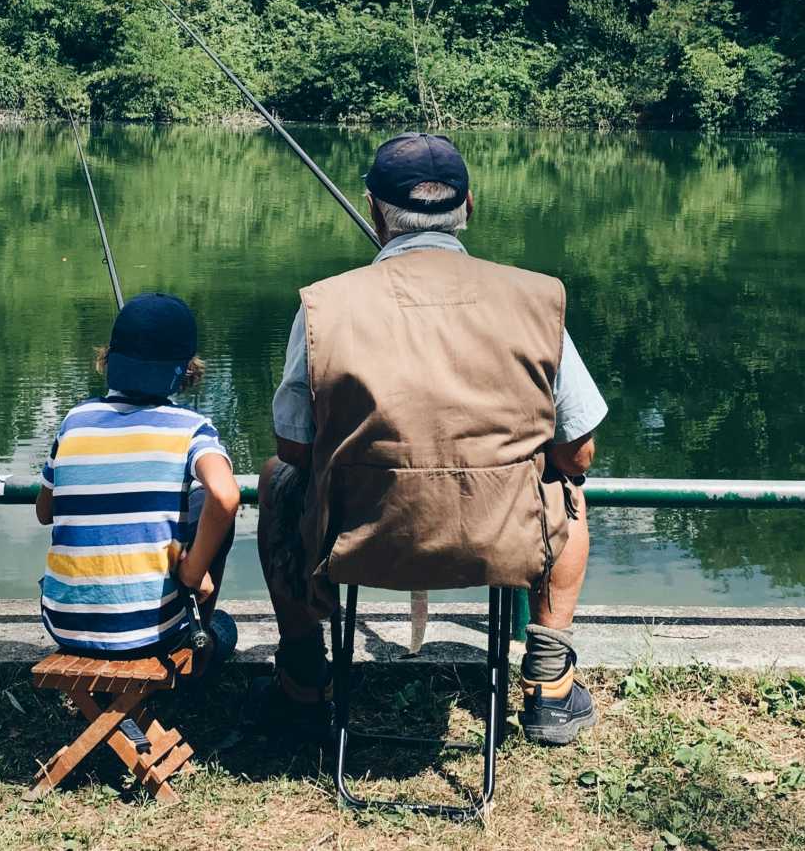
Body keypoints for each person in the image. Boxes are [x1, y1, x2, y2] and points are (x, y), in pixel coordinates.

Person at [257, 133, 608, 747]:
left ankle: (305, 676)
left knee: (276, 481)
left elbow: (294, 449)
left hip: (359, 542)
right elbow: (576, 452)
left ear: (372, 209)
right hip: (503, 541)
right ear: (470, 205)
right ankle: (550, 684)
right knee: (569, 490)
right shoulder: (536, 298)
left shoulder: (323, 307)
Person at [37, 293, 240, 678]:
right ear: (186, 372)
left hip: (64, 626)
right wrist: (194, 571)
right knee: (225, 627)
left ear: (109, 360)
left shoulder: (75, 421)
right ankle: (197, 657)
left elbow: (44, 512)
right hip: (150, 635)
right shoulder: (191, 429)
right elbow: (226, 495)